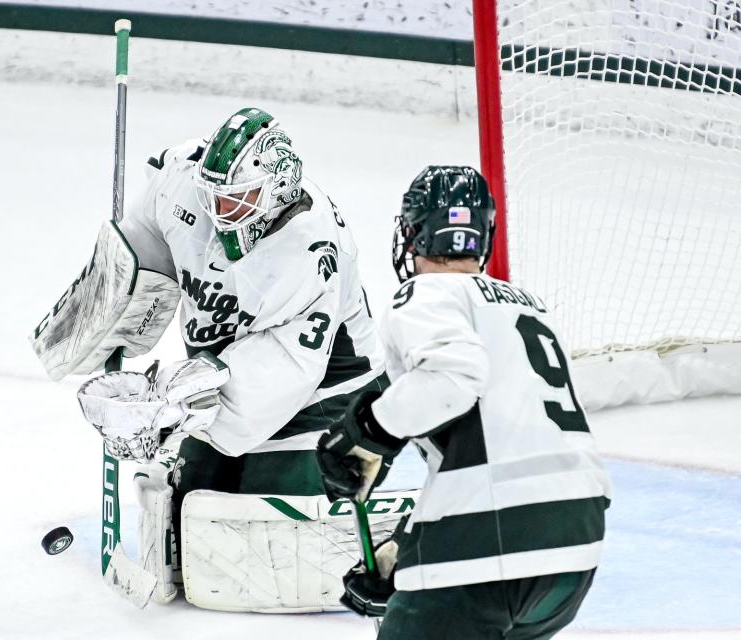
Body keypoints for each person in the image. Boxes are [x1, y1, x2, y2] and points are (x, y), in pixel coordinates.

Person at [316, 166, 612, 638]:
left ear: (411, 232)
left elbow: (453, 379)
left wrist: (369, 431)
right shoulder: (530, 306)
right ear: (484, 234)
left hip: (490, 544)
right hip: (576, 546)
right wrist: (406, 552)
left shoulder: (425, 293)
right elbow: (498, 451)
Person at [115, 106, 387, 551]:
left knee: (259, 535)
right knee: (189, 512)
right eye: (213, 196)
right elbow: (146, 231)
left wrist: (176, 403)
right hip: (226, 379)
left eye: (234, 199)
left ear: (277, 189)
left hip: (327, 397)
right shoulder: (187, 184)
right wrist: (117, 299)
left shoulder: (309, 247)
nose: (217, 211)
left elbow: (287, 366)